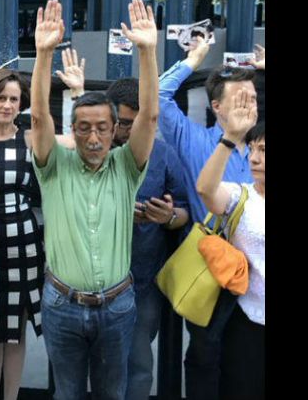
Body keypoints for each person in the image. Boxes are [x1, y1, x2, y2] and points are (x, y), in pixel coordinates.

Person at [30, 0, 159, 400]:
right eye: (84, 128)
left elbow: (149, 118)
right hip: (61, 304)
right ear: (72, 128)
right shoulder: (53, 166)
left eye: (102, 128)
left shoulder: (126, 167)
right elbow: (37, 118)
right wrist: (43, 53)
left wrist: (147, 51)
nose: (93, 137)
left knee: (111, 394)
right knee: (66, 394)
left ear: (115, 128)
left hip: (118, 307)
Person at [0, 51, 77, 400]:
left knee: (17, 327)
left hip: (24, 241)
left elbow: (76, 144)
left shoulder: (28, 138)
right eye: (1, 98)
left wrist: (79, 92)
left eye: (13, 99)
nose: (7, 105)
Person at [158, 35, 258, 400]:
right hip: (211, 275)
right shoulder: (193, 139)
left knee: (249, 367)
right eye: (239, 99)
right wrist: (193, 60)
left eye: (253, 97)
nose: (249, 105)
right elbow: (156, 99)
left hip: (258, 278)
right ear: (216, 106)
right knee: (204, 360)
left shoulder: (263, 147)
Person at [105, 78, 190, 400]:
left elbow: (183, 210)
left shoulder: (162, 153)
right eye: (123, 123)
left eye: (136, 123)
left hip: (143, 280)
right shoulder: (88, 151)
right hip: (91, 280)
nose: (128, 131)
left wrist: (166, 217)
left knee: (139, 364)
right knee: (97, 365)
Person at [196, 90, 264, 400]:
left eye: (263, 150)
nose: (255, 159)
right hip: (246, 321)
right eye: (252, 149)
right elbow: (205, 189)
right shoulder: (242, 195)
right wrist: (229, 139)